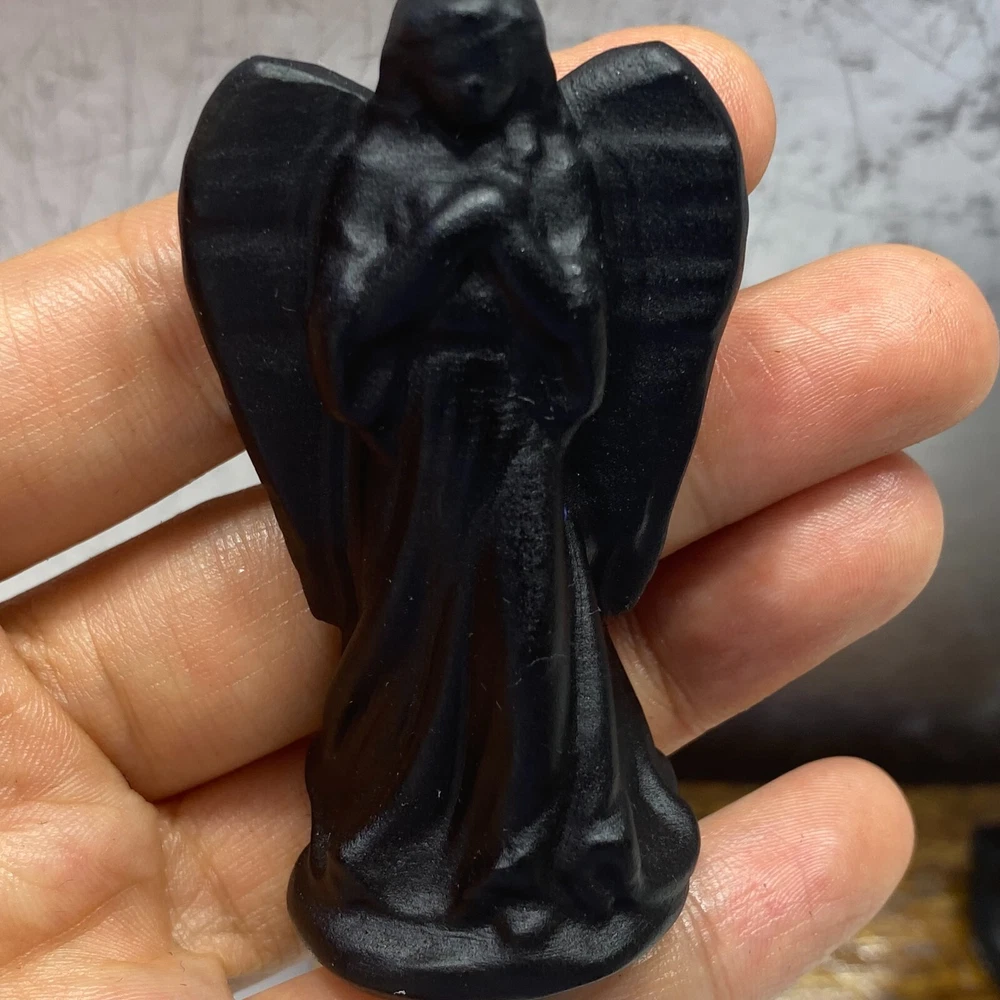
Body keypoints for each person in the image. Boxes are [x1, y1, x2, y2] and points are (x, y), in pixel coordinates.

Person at [0, 22, 995, 1000]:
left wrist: (503, 243)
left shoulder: (550, 164)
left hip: (521, 447)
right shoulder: (373, 168)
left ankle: (550, 850)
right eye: (449, 62)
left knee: (534, 642)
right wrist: (448, 236)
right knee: (416, 645)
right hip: (417, 458)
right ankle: (403, 849)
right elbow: (345, 343)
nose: (470, 84)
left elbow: (579, 337)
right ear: (414, 63)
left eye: (488, 63)